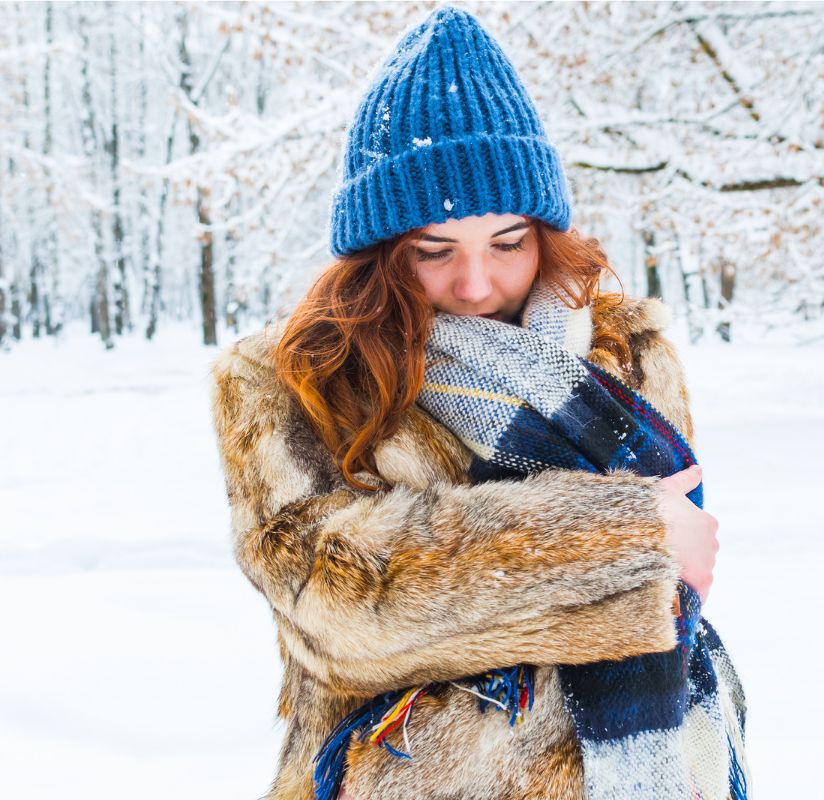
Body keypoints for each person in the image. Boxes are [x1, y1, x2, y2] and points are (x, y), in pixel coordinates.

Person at [208, 7, 750, 799]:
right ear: (380, 254)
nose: (473, 284)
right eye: (433, 250)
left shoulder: (621, 355)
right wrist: (618, 541)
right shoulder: (291, 377)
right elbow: (332, 607)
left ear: (546, 234)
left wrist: (631, 567)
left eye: (507, 244)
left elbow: (679, 591)